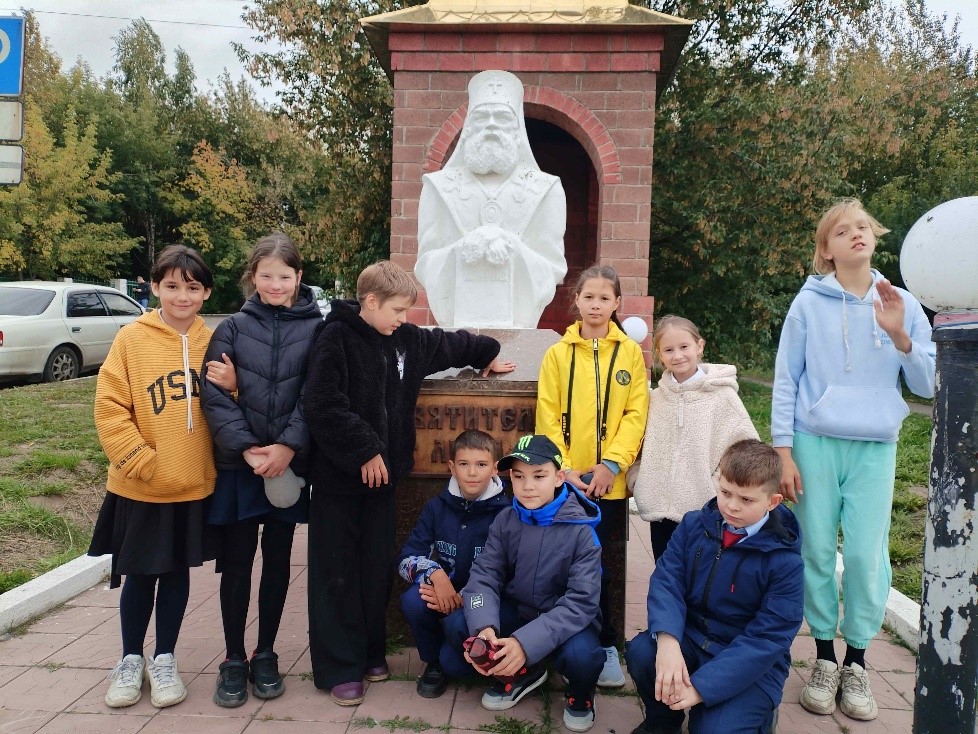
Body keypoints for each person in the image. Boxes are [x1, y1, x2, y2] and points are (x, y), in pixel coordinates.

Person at [303, 260, 516, 706]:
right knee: (337, 574)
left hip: (383, 483)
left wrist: (487, 353)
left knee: (375, 570)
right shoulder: (335, 337)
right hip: (339, 483)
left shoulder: (406, 340)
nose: (403, 318)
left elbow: (449, 343)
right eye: (397, 309)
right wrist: (364, 449)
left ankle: (369, 653)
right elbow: (321, 403)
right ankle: (340, 668)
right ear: (371, 301)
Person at [771, 198, 935, 721]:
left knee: (866, 555)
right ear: (827, 249)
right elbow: (786, 378)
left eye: (863, 227)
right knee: (816, 549)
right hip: (814, 441)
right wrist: (783, 451)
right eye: (843, 231)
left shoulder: (902, 302)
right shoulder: (807, 304)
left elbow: (928, 384)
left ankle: (857, 660)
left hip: (875, 446)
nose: (856, 234)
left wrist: (899, 335)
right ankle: (824, 656)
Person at [89, 245, 225, 709]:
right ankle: (130, 659)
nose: (182, 296)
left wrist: (234, 387)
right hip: (142, 485)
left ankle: (164, 657)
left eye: (192, 287)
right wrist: (138, 459)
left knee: (176, 573)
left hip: (192, 483)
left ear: (206, 293)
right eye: (171, 286)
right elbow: (109, 406)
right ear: (154, 287)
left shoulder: (215, 343)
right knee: (140, 574)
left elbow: (230, 405)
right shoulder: (131, 339)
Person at [200, 233, 323, 708]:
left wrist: (288, 447)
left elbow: (316, 394)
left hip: (288, 466)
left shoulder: (317, 329)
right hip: (241, 466)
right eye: (266, 275)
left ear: (298, 277)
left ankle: (265, 652)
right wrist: (250, 450)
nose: (275, 284)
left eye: (284, 276)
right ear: (253, 276)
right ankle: (233, 658)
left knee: (277, 560)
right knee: (237, 562)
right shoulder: (231, 328)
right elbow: (213, 396)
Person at [625, 439, 804, 734]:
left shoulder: (786, 562)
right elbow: (667, 581)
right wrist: (668, 640)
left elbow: (768, 638)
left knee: (712, 729)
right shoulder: (693, 525)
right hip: (693, 638)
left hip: (749, 664)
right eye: (725, 492)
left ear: (772, 502)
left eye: (746, 500)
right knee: (644, 653)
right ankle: (663, 722)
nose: (732, 506)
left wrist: (700, 688)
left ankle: (758, 718)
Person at [535, 264, 648, 688]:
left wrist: (611, 465)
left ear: (617, 303)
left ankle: (606, 646)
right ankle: (562, 643)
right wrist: (563, 469)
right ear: (576, 301)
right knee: (563, 566)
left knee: (604, 568)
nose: (596, 305)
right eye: (589, 297)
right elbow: (547, 414)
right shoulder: (558, 354)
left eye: (604, 298)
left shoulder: (630, 354)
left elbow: (636, 414)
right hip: (567, 482)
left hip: (608, 485)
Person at [443, 434, 604, 732]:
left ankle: (580, 694)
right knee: (458, 623)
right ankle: (523, 673)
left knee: (583, 657)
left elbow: (581, 604)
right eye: (518, 477)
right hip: (520, 612)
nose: (527, 486)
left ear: (558, 478)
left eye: (539, 476)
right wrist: (484, 627)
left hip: (565, 624)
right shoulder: (505, 520)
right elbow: (484, 576)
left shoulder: (582, 531)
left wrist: (524, 643)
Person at [415, 69, 567, 328]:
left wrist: (511, 246)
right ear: (467, 129)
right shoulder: (437, 187)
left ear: (518, 131)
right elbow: (425, 263)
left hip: (519, 327)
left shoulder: (546, 189)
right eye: (481, 117)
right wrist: (461, 249)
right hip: (456, 329)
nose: (491, 125)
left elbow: (553, 267)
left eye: (503, 118)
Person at [627, 315, 758, 561]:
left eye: (684, 347)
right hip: (659, 513)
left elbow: (747, 449)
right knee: (665, 573)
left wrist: (718, 487)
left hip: (704, 511)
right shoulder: (655, 399)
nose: (677, 355)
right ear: (659, 355)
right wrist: (638, 478)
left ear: (699, 346)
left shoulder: (723, 397)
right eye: (668, 350)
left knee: (700, 576)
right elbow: (637, 444)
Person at [397, 429, 509, 698]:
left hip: (483, 602)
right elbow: (405, 558)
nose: (472, 473)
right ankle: (433, 661)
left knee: (456, 664)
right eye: (464, 464)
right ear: (451, 467)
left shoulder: (506, 513)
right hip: (443, 595)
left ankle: (475, 660)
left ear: (495, 468)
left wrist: (464, 596)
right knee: (413, 600)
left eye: (481, 465)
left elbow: (509, 572)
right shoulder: (436, 507)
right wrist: (436, 576)